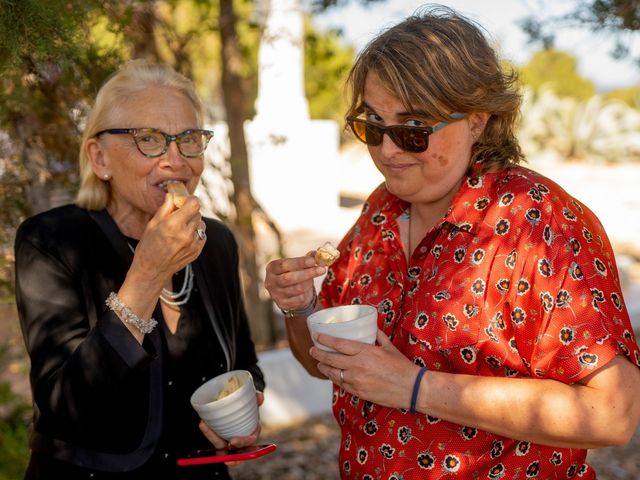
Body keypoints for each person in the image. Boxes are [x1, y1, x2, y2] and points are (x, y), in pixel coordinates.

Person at [264, 5, 640, 479]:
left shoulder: (540, 222)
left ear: (478, 121)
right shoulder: (379, 212)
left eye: (413, 130)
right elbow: (328, 366)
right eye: (373, 126)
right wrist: (299, 308)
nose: (387, 150)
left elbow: (614, 413)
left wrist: (415, 386)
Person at [15, 60, 265, 480]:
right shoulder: (51, 240)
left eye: (189, 140)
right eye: (149, 139)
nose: (176, 160)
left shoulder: (215, 242)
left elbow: (243, 362)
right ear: (99, 158)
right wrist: (147, 274)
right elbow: (64, 408)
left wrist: (240, 410)